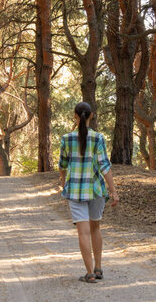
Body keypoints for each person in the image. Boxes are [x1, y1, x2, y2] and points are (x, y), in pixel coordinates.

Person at [58, 102, 119, 283]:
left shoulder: (66, 139)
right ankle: (98, 268)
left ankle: (90, 273)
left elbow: (62, 166)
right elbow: (104, 166)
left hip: (76, 191)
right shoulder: (98, 138)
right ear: (91, 116)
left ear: (75, 116)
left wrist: (63, 184)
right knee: (96, 228)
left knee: (83, 232)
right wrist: (113, 191)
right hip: (96, 190)